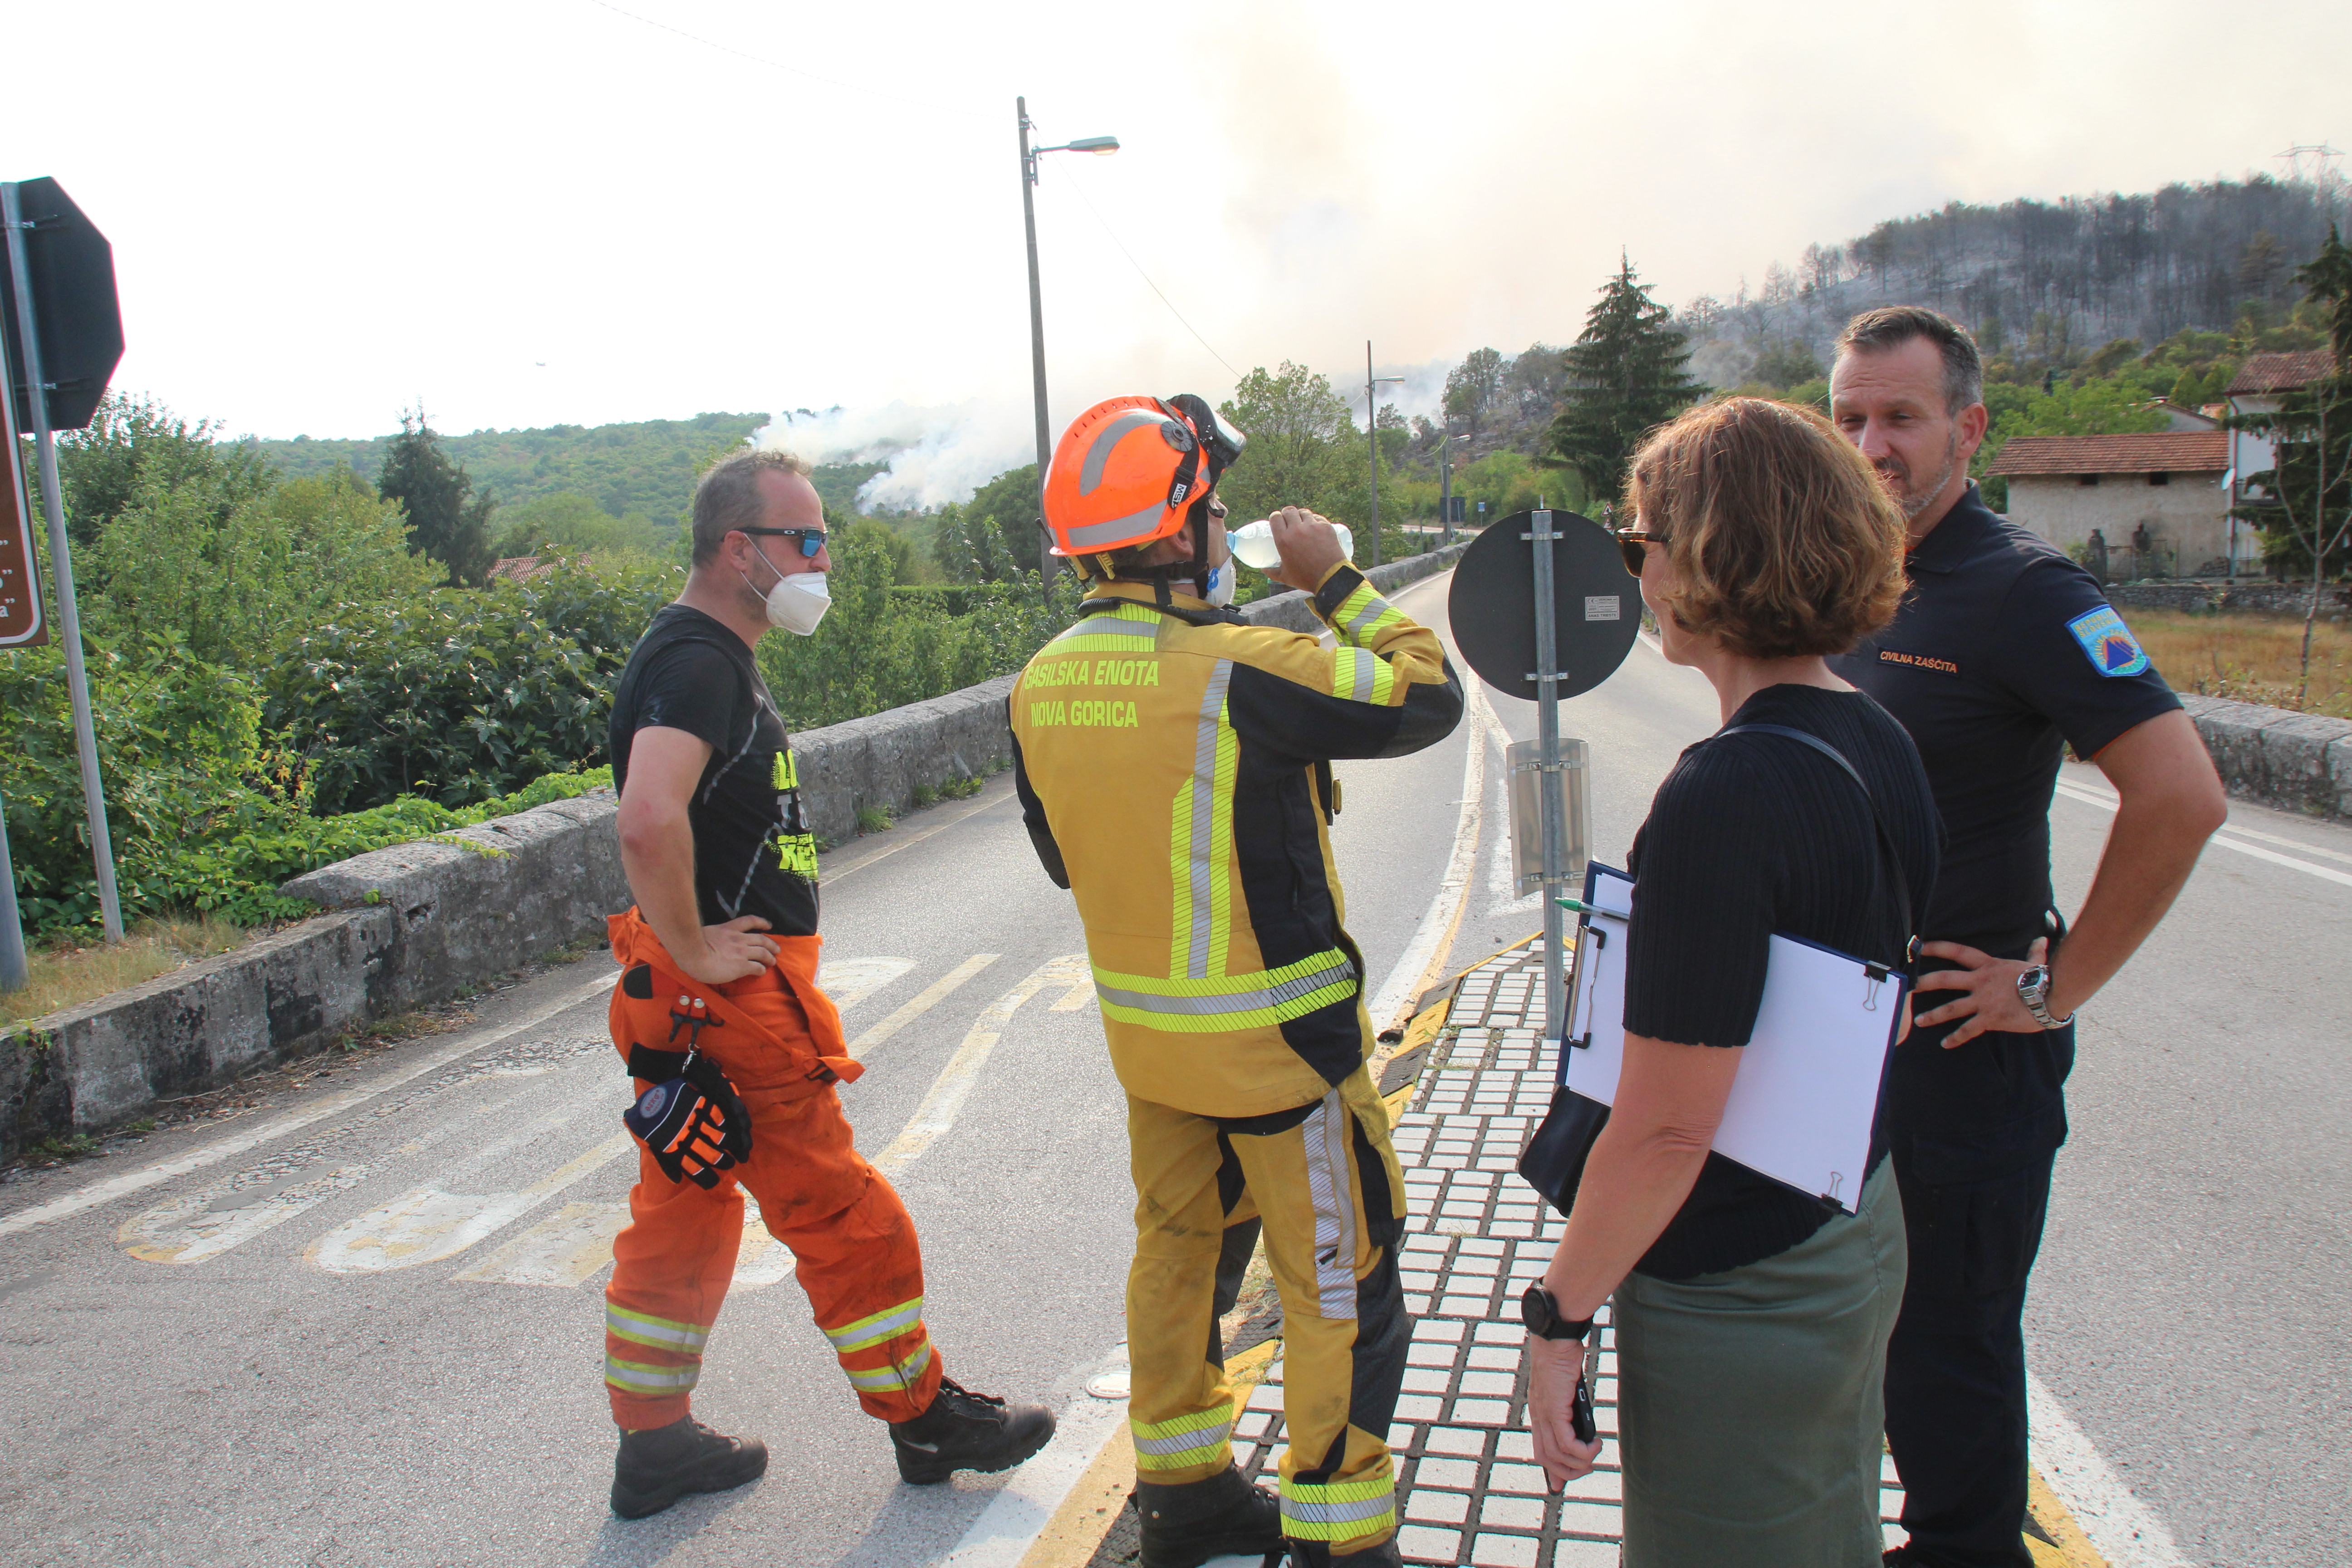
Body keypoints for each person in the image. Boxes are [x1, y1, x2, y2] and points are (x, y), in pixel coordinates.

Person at [1009, 394, 1464, 1568]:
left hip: (1154, 1055)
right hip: (1283, 1055)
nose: (1222, 528)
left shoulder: (1040, 683)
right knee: (1339, 1284)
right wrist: (1337, 580)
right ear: (1181, 528)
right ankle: (1340, 1538)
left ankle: (1186, 1500)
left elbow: (1065, 858)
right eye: (1212, 508)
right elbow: (1428, 694)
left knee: (1175, 1258)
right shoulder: (1245, 670)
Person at [1825, 307, 2226, 1568]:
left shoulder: (2024, 590)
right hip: (1850, 1042)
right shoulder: (1851, 577)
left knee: (1950, 1353)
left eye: (1900, 417)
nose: (1871, 445)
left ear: (1970, 429)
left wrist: (2053, 989)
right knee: (1871, 1335)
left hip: (1964, 1050)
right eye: (1849, 417)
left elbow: (2183, 798)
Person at [1520, 397, 1940, 1566]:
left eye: (1641, 542)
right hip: (1850, 1232)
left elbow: (1665, 1133)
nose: (1639, 571)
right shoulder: (1876, 735)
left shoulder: (1723, 795)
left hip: (1744, 1287)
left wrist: (1557, 1316)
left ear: (1710, 557)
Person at [598, 448, 1054, 1519]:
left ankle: (654, 1446)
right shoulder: (702, 663)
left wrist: (680, 955)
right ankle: (925, 1419)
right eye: (804, 539)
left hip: (674, 999)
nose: (823, 559)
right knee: (844, 1214)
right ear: (738, 549)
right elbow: (647, 819)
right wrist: (701, 949)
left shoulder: (692, 651)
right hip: (730, 1004)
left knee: (680, 1215)